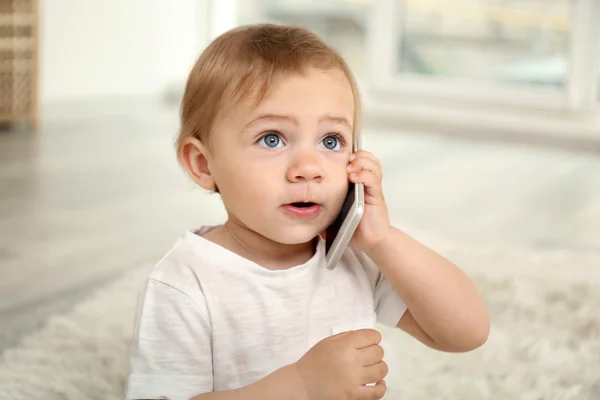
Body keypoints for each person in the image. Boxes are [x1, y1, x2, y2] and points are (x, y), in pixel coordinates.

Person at [125, 23, 489, 400]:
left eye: (331, 140)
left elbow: (466, 332)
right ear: (203, 164)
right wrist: (300, 385)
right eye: (272, 138)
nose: (309, 167)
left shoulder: (350, 260)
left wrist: (384, 239)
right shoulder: (185, 283)